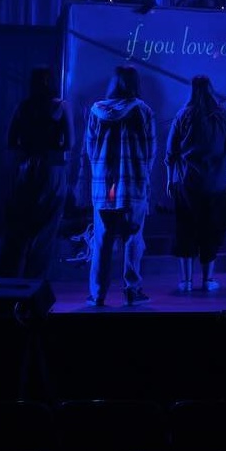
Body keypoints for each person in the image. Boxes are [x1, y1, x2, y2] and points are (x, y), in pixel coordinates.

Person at [83, 65, 157, 307]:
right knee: (133, 239)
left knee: (102, 241)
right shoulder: (143, 111)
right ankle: (132, 291)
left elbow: (90, 148)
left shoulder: (96, 110)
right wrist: (144, 176)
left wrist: (99, 171)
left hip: (103, 186)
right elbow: (150, 151)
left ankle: (97, 294)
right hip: (133, 184)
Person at [0, 66, 73, 280]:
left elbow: (10, 141)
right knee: (46, 229)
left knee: (19, 226)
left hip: (26, 168)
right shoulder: (61, 106)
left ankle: (8, 280)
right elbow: (70, 143)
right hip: (52, 169)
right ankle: (34, 282)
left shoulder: (23, 107)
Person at [166, 75, 226, 293]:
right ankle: (208, 279)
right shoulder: (225, 116)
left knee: (185, 229)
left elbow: (170, 153)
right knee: (211, 230)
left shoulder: (182, 115)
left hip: (187, 182)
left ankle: (186, 281)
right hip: (217, 183)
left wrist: (169, 179)